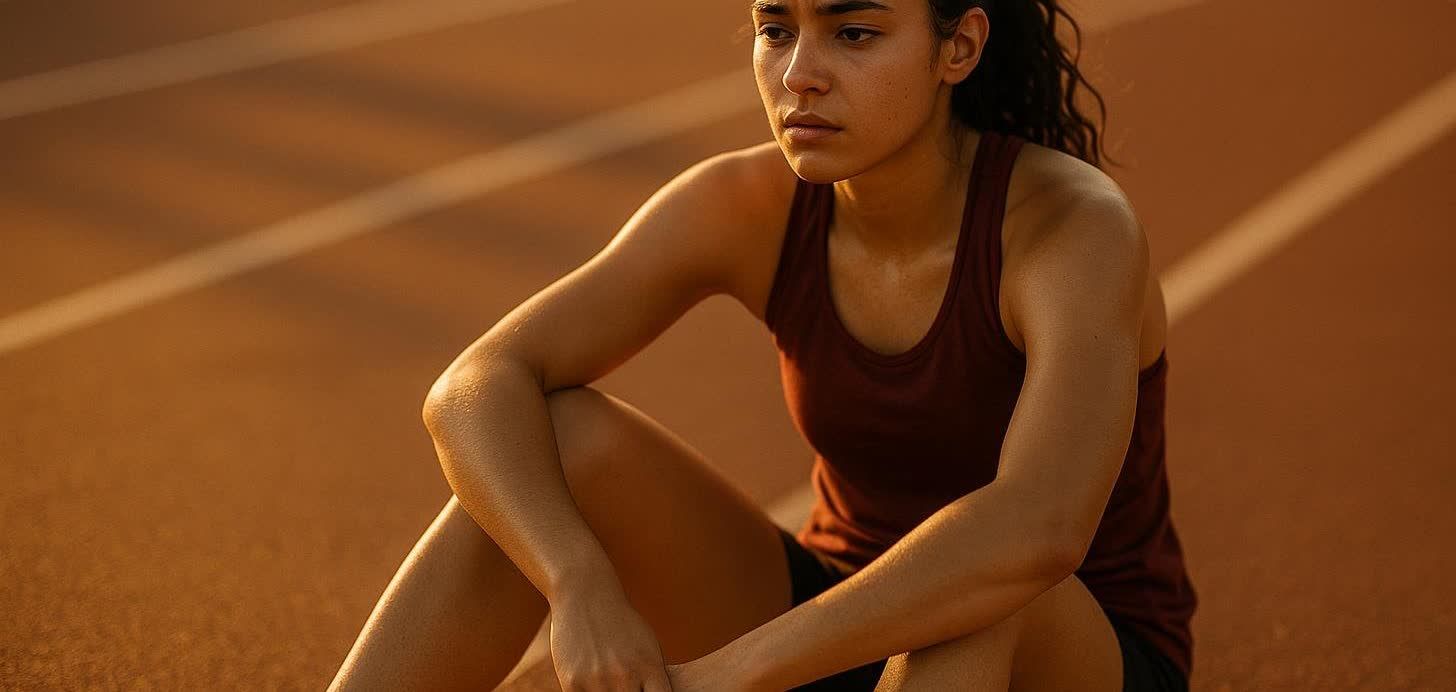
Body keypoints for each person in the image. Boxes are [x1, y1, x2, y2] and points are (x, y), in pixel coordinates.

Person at [329, 0, 1196, 689]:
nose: (800, 75)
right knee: (554, 442)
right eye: (775, 29)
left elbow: (1036, 531)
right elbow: (477, 382)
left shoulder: (1070, 230)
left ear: (958, 48)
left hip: (1064, 655)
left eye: (853, 33)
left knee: (982, 603)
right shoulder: (747, 207)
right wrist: (577, 584)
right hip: (824, 624)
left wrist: (738, 673)